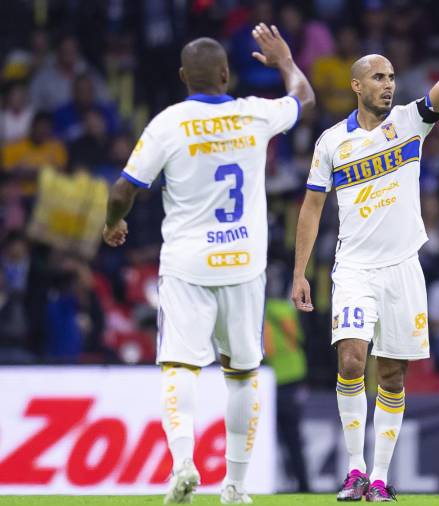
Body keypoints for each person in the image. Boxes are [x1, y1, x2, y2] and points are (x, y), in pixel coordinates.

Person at [290, 1, 439, 501]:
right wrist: (300, 271)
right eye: (379, 77)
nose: (389, 83)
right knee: (350, 359)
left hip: (404, 268)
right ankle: (354, 470)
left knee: (391, 372)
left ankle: (382, 479)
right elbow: (310, 209)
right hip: (353, 269)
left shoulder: (411, 123)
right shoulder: (331, 143)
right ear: (357, 86)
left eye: (391, 76)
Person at [101, 26, 314, 505]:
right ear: (226, 73)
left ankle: (182, 465)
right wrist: (283, 60)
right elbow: (304, 97)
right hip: (243, 265)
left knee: (179, 367)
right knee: (242, 375)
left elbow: (123, 189)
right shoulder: (254, 114)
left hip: (187, 266)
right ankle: (235, 486)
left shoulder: (168, 124)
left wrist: (113, 224)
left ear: (182, 77)